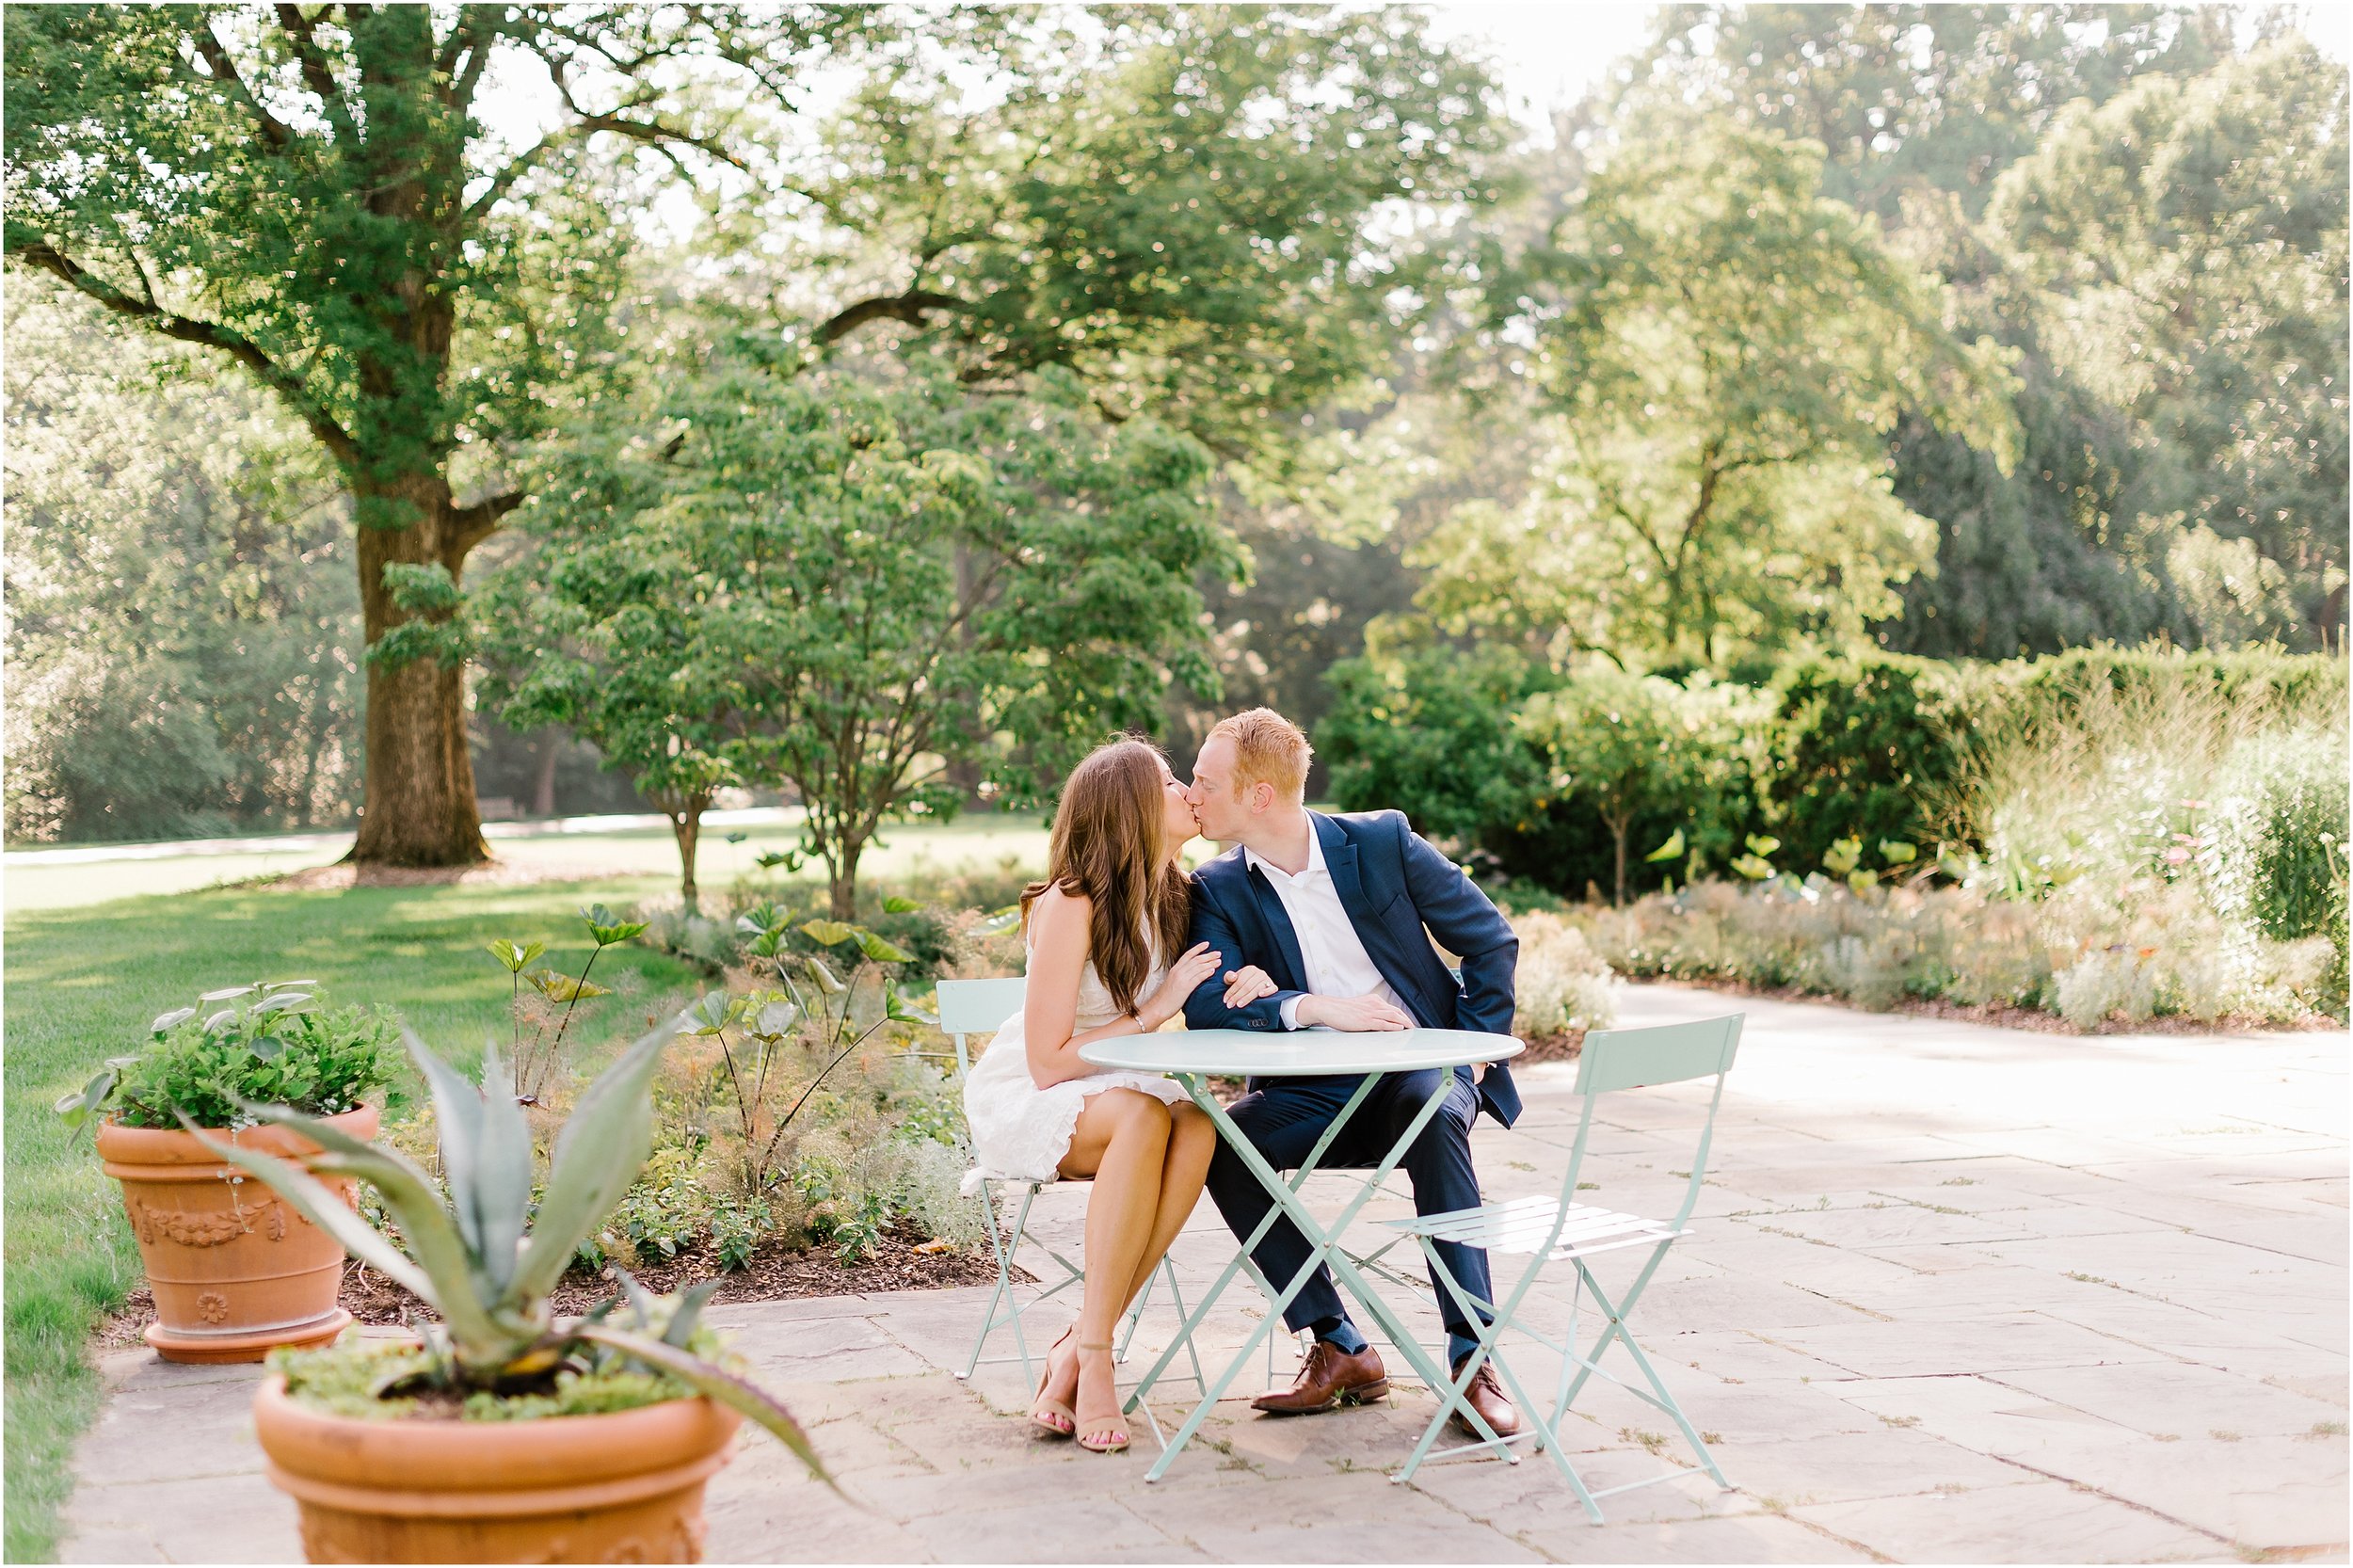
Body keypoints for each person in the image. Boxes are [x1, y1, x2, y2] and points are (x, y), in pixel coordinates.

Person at [1181, 707, 1524, 1441]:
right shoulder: (1215, 887)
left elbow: (1490, 939)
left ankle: (1473, 1361)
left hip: (1416, 1076)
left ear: (1259, 796)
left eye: (1205, 782)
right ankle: (1338, 1344)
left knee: (1432, 1109)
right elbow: (1207, 1005)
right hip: (1311, 1095)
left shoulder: (1382, 843)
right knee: (1214, 1143)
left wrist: (1472, 1045)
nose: (1190, 794)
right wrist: (1307, 1007)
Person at [960, 737, 1225, 1454]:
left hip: (1119, 1081)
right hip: (1043, 1092)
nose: (1186, 794)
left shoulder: (1177, 894)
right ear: (1132, 808)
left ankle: (1077, 1344)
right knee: (1145, 1116)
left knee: (1201, 1122)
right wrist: (1156, 1007)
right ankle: (1101, 1361)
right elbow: (1046, 1063)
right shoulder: (1070, 903)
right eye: (1170, 783)